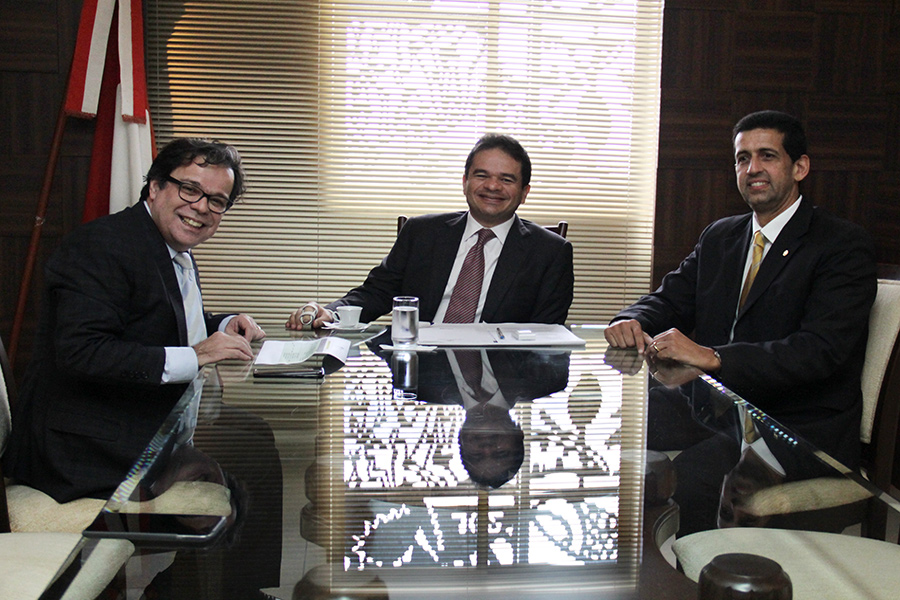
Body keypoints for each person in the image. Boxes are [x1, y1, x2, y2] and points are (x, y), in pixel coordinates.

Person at [605, 111, 877, 533]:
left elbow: (819, 352)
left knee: (690, 477)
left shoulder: (841, 244)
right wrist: (631, 319)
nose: (752, 169)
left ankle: (694, 570)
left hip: (795, 424)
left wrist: (713, 357)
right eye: (742, 158)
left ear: (800, 167)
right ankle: (628, 554)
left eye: (767, 156)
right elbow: (669, 298)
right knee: (621, 426)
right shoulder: (721, 236)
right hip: (718, 405)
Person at [4, 137, 267, 502]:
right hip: (86, 451)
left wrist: (223, 324)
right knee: (252, 461)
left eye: (217, 200)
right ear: (156, 186)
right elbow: (83, 352)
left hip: (144, 422)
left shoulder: (168, 244)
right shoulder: (101, 245)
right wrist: (197, 355)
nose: (201, 207)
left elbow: (156, 319)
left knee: (258, 437)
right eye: (190, 189)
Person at [286, 133, 574, 329]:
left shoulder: (551, 252)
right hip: (419, 369)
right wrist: (331, 312)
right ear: (465, 182)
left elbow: (547, 334)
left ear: (524, 193)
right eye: (481, 175)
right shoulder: (421, 233)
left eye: (506, 179)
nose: (492, 186)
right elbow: (377, 292)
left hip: (500, 375)